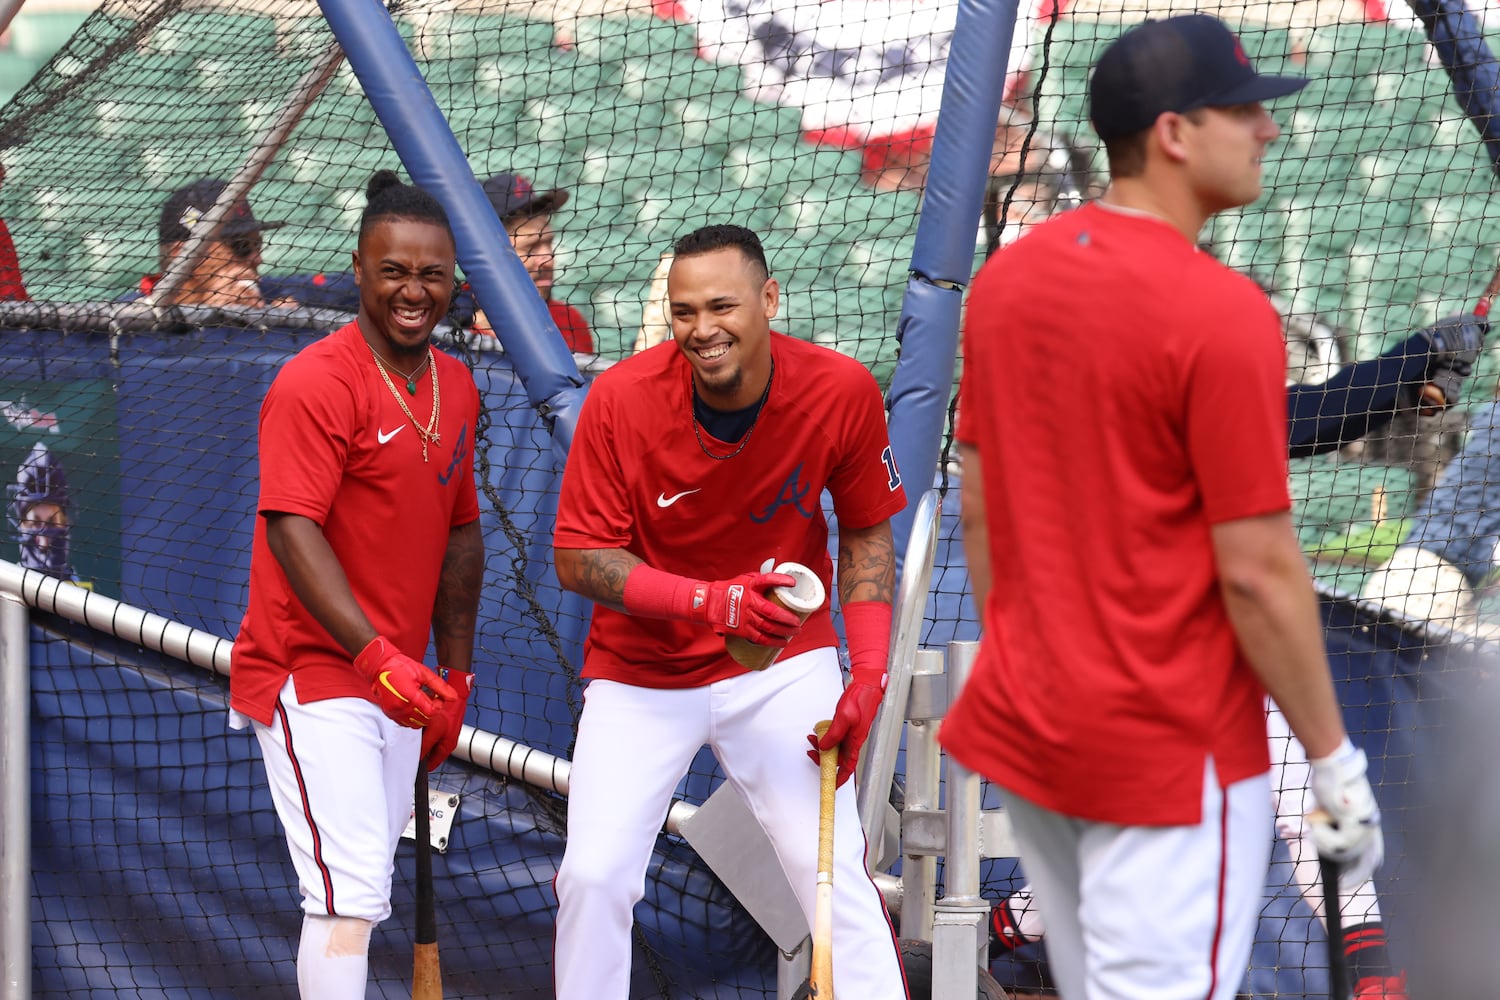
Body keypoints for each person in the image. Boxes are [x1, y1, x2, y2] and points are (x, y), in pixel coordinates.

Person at [941, 15, 1384, 1000]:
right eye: (1244, 109)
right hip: (1169, 751)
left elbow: (980, 504)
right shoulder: (1222, 311)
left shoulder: (1009, 281)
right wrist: (1330, 757)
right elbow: (1257, 572)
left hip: (1035, 725)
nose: (1265, 129)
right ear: (1176, 133)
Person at [551, 223, 908, 999]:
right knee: (593, 878)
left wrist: (870, 673)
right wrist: (712, 602)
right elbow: (578, 557)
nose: (702, 329)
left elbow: (869, 538)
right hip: (642, 671)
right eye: (684, 312)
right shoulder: (620, 398)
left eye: (722, 306)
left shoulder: (841, 388)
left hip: (781, 667)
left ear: (768, 299)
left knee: (834, 875)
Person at [228, 169, 483, 998]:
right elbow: (291, 527)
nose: (414, 290)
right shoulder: (315, 380)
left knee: (359, 894)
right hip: (316, 669)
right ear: (360, 269)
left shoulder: (459, 384)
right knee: (349, 893)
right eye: (394, 271)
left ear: (453, 278)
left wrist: (456, 674)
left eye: (431, 273)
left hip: (400, 678)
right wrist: (375, 655)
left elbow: (461, 532)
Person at [471, 171, 594, 353]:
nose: (549, 260)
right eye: (531, 248)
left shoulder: (570, 321)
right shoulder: (449, 317)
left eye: (549, 243)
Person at [137, 178, 292, 308]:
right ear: (182, 254)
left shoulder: (272, 293)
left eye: (257, 245)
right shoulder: (127, 318)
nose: (257, 259)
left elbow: (312, 286)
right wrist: (212, 316)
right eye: (241, 246)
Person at [8, 441, 73, 580]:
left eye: (52, 523)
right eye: (34, 523)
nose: (43, 541)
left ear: (65, 522)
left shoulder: (88, 598)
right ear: (22, 524)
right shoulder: (6, 585)